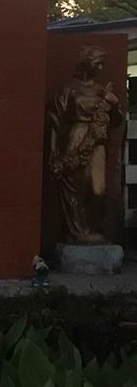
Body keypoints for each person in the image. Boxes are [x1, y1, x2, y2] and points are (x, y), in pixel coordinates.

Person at [48, 45, 122, 244]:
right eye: (98, 63)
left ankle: (94, 228)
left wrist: (114, 103)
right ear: (87, 63)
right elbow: (55, 120)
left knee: (98, 190)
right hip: (74, 138)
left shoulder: (102, 91)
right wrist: (53, 151)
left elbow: (116, 121)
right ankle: (78, 232)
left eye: (103, 64)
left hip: (97, 143)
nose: (101, 68)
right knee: (75, 188)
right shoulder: (69, 89)